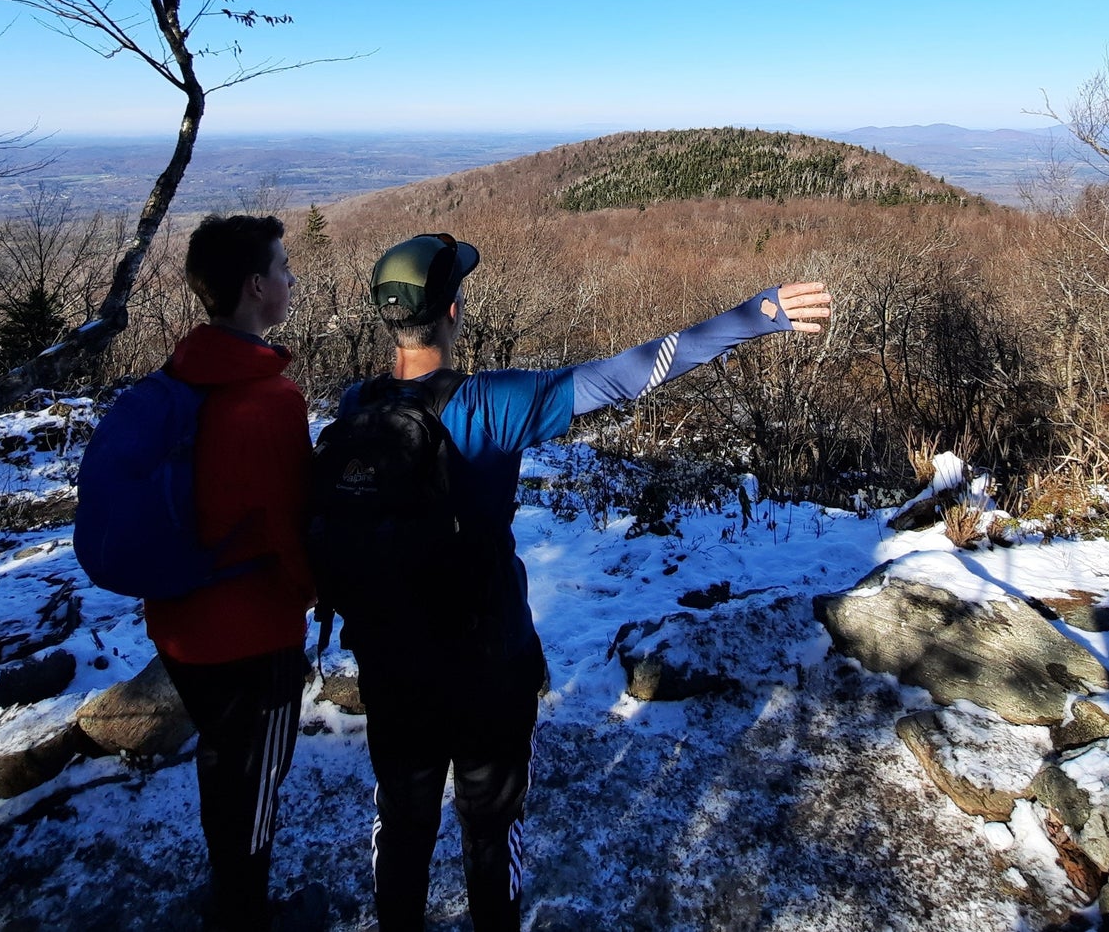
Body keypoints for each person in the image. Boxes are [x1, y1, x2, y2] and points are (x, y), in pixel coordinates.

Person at [333, 232, 832, 931]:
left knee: (403, 820)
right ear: (452, 309)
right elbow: (627, 375)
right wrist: (753, 315)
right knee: (490, 827)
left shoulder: (355, 406)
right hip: (487, 663)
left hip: (391, 662)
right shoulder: (489, 403)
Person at [144, 214, 319, 932]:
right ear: (255, 287)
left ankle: (227, 891)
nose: (290, 278)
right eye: (282, 267)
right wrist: (317, 590)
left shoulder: (178, 374)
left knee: (221, 761)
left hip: (179, 623)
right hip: (254, 635)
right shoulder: (271, 401)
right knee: (256, 782)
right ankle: (245, 913)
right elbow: (293, 532)